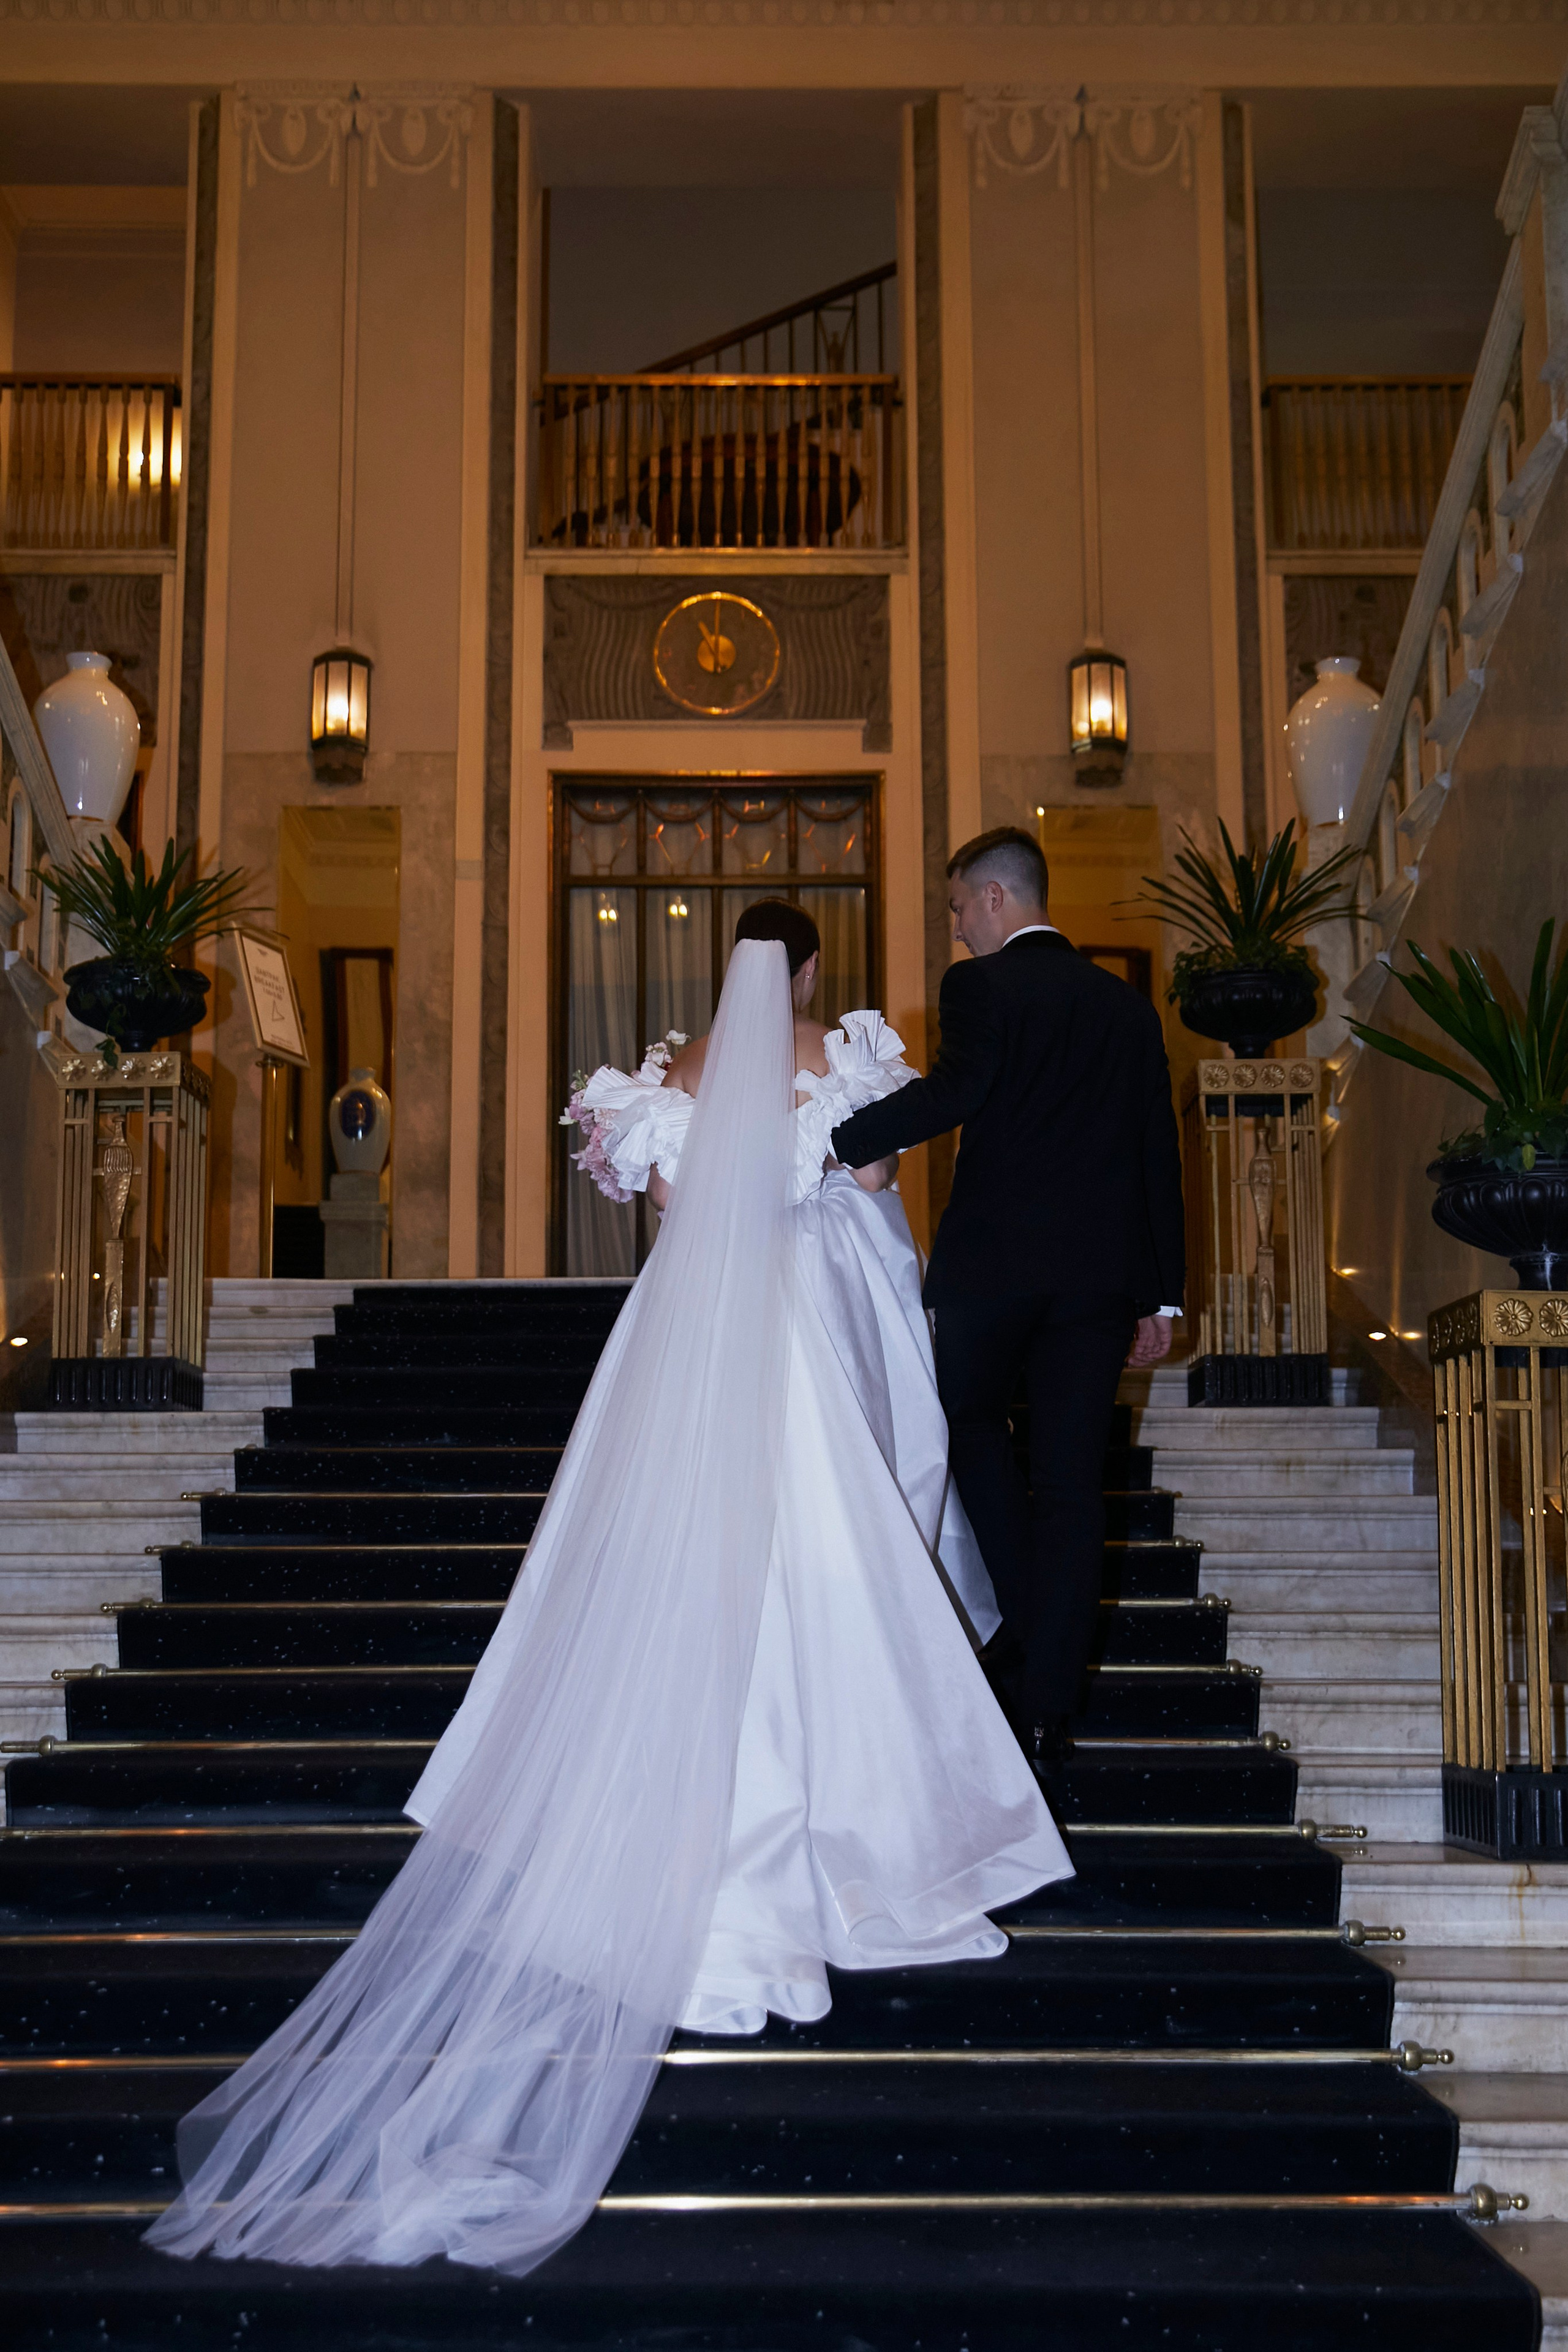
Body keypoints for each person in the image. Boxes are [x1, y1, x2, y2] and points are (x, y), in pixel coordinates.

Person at [145, 907, 1069, 2282]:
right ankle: (840, 1842)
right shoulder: (843, 1049)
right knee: (827, 1556)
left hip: (689, 1333)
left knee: (682, 1552)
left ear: (727, 968)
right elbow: (875, 1180)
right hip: (805, 1316)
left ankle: (670, 1824)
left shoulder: (666, 1072)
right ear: (808, 969)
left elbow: (666, 1208)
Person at [829, 827, 1186, 1801]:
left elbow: (961, 1090)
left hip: (992, 1272)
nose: (955, 928)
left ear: (995, 898)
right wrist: (1163, 1291)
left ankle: (1029, 1629)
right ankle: (1049, 1708)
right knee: (1072, 1485)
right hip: (1099, 1283)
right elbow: (1157, 1146)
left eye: (957, 908)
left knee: (968, 1429)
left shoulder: (980, 986)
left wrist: (834, 1137)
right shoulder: (1125, 1006)